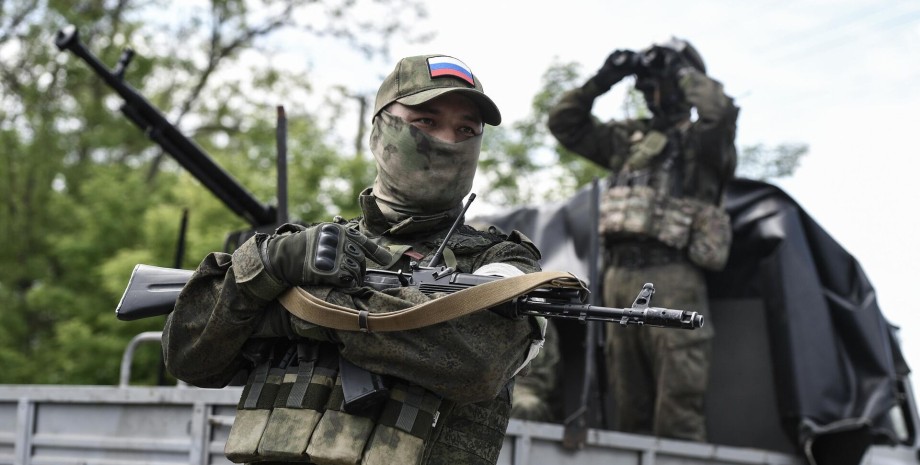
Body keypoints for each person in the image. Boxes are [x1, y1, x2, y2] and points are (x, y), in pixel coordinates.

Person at [163, 54, 549, 465]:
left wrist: (301, 314)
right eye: (427, 122)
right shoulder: (299, 250)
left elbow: (477, 359)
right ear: (381, 129)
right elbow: (188, 357)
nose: (448, 141)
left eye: (466, 130)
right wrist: (266, 269)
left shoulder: (506, 260)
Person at [547, 38, 738, 442]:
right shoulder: (628, 139)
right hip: (618, 277)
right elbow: (564, 123)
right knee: (627, 400)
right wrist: (604, 79)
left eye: (661, 82)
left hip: (672, 276)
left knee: (678, 404)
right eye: (649, 83)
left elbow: (718, 113)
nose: (654, 91)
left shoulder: (703, 143)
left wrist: (682, 68)